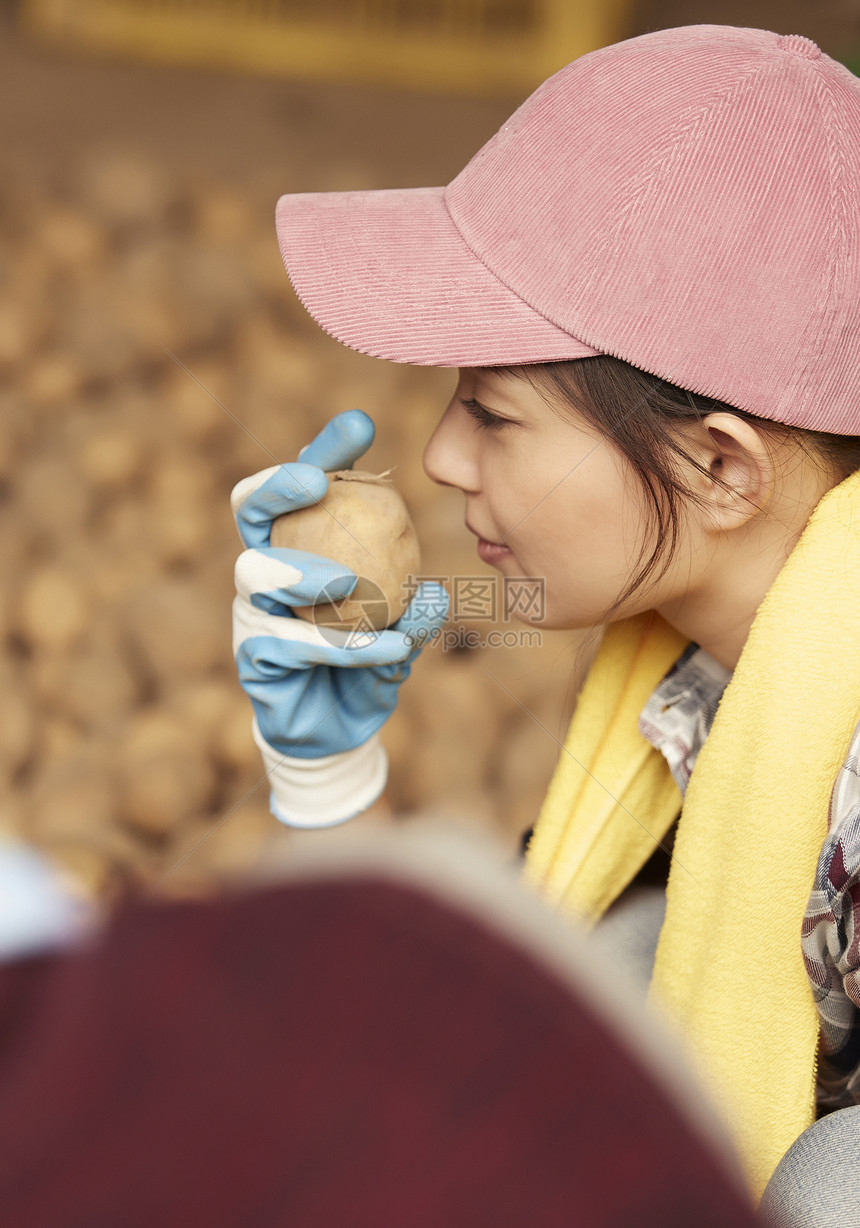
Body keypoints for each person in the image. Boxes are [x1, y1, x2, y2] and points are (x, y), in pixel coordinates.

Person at [230, 24, 860, 1223]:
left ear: (720, 468)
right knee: (607, 974)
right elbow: (456, 1086)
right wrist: (323, 780)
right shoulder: (697, 688)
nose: (438, 456)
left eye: (494, 414)